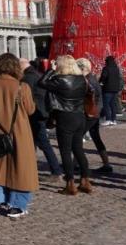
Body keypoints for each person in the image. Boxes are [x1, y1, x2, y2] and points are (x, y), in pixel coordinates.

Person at [0, 54, 38, 218]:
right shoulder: (22, 87)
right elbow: (30, 110)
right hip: (20, 132)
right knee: (21, 167)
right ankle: (17, 205)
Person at [38, 55, 92, 195]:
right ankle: (85, 180)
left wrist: (51, 70)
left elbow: (41, 82)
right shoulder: (82, 79)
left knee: (65, 151)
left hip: (65, 116)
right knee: (78, 149)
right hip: (79, 115)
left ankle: (70, 184)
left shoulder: (60, 80)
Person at [23, 58, 62, 180]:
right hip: (41, 112)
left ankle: (56, 171)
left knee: (43, 143)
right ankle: (29, 168)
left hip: (35, 114)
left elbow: (26, 98)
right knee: (33, 142)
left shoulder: (27, 78)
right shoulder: (36, 74)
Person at [77, 58, 112, 174]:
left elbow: (88, 98)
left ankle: (79, 164)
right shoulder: (90, 78)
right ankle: (106, 164)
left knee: (77, 137)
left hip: (90, 113)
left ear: (82, 68)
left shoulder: (87, 80)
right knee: (96, 138)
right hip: (95, 112)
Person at [98, 56, 124, 126]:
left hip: (107, 89)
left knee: (106, 105)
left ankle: (108, 119)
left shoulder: (106, 68)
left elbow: (104, 76)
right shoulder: (116, 68)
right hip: (115, 89)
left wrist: (100, 82)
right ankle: (114, 120)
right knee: (113, 105)